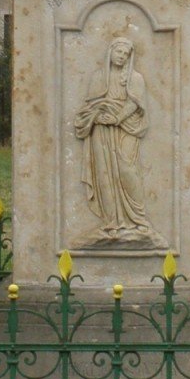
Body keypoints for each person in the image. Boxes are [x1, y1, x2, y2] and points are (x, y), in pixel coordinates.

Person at [74, 36, 158, 244]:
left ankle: (138, 220)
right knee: (105, 175)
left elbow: (135, 104)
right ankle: (111, 223)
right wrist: (97, 115)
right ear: (110, 52)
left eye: (125, 54)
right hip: (101, 131)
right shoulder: (98, 77)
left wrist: (117, 117)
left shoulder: (135, 78)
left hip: (126, 128)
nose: (121, 56)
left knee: (127, 171)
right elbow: (90, 107)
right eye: (118, 52)